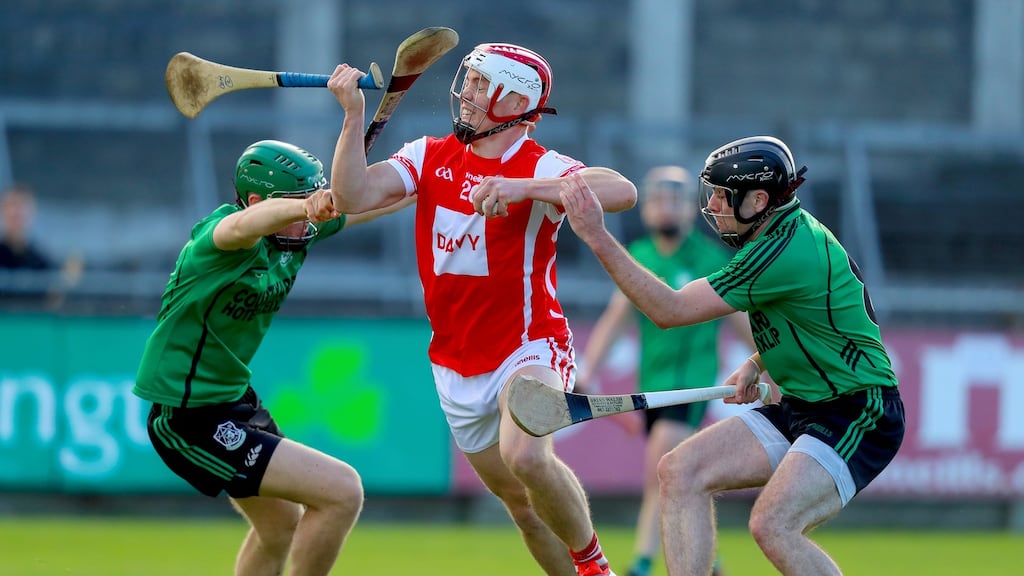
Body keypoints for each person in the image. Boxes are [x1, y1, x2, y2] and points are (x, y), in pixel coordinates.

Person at [324, 43, 637, 576]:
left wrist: (524, 188)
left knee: (526, 456)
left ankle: (595, 565)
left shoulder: (542, 165)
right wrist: (353, 117)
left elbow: (622, 191)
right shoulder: (429, 155)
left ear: (516, 101)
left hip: (529, 345)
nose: (465, 93)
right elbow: (352, 197)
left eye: (479, 84)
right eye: (467, 81)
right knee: (522, 506)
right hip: (456, 361)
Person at [559, 135, 905, 576]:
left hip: (858, 412)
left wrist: (597, 235)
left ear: (758, 200)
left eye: (724, 195)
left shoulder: (780, 250)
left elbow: (669, 310)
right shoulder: (782, 231)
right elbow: (817, 322)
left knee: (773, 525)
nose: (713, 205)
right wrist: (758, 362)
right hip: (802, 405)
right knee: (680, 471)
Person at [133, 139, 410, 576]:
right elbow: (245, 224)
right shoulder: (219, 239)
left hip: (233, 400)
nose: (310, 218)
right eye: (299, 203)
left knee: (280, 526)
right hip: (186, 417)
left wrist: (440, 174)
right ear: (258, 200)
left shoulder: (293, 237)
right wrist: (302, 207)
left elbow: (381, 198)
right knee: (343, 491)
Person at [575, 166, 757, 576]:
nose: (665, 207)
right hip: (652, 388)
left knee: (663, 466)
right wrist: (588, 371)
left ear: (690, 209)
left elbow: (742, 323)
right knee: (678, 476)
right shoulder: (639, 255)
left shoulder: (711, 259)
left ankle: (642, 561)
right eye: (658, 199)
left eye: (675, 199)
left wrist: (772, 366)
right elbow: (616, 318)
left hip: (691, 387)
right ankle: (710, 561)